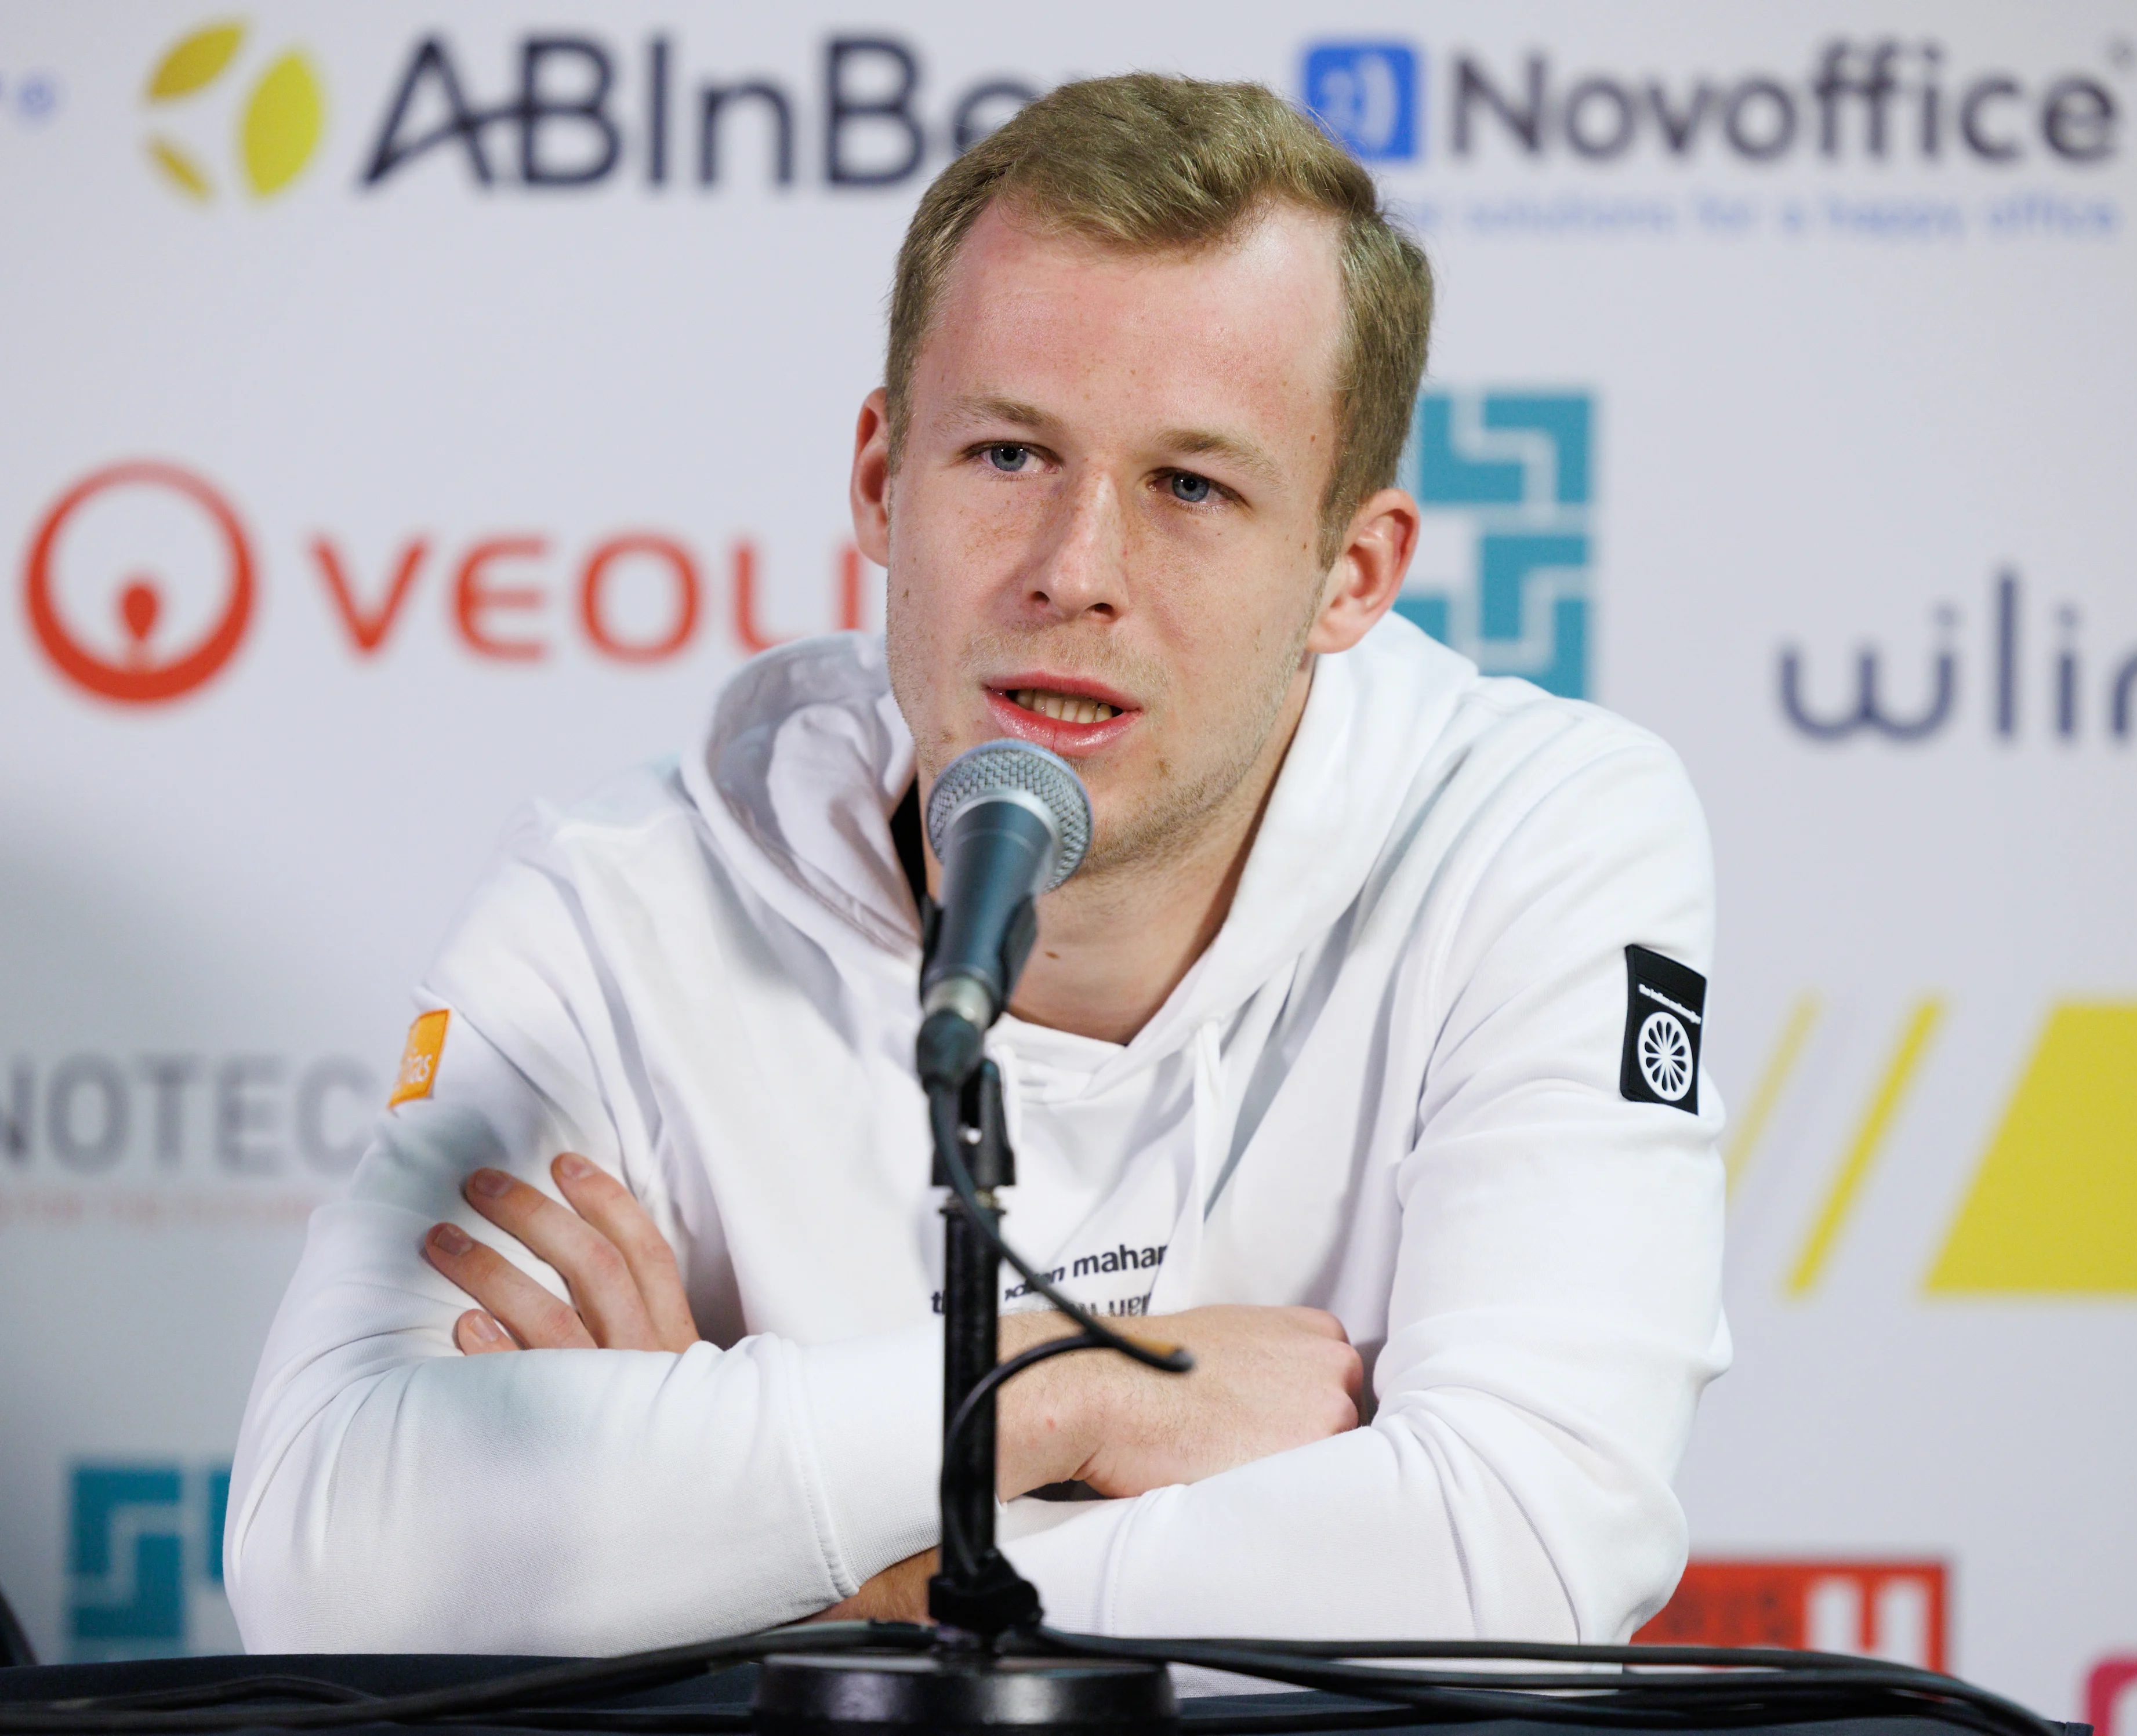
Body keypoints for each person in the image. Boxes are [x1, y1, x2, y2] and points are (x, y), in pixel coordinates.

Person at [226, 74, 1728, 1656]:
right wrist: (1066, 1392)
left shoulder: (1538, 836)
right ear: (882, 480)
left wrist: (744, 1573)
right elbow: (327, 1560)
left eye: (1193, 487)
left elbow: (1529, 1556)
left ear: (1351, 573)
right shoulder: (616, 903)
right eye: (1010, 456)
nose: (1075, 572)